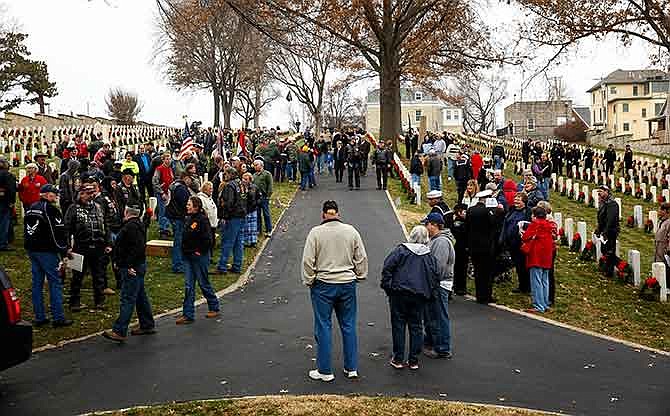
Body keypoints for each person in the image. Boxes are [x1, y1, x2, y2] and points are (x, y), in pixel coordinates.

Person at [302, 200, 368, 382]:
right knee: (348, 325)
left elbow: (308, 260)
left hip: (324, 283)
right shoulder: (351, 231)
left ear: (323, 214)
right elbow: (361, 256)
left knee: (323, 325)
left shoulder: (315, 233)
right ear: (338, 213)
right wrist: (360, 275)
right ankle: (351, 367)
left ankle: (325, 370)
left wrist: (309, 280)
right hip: (347, 283)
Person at [381, 225, 439, 370]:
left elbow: (387, 268)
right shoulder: (429, 256)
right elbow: (434, 276)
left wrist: (388, 287)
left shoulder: (401, 251)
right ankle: (414, 360)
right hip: (419, 295)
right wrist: (430, 294)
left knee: (398, 325)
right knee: (416, 326)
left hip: (399, 293)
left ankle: (398, 358)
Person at [102, 206, 155, 342]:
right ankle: (147, 324)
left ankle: (120, 330)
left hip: (132, 267)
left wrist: (128, 265)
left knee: (127, 297)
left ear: (126, 213)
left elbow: (136, 248)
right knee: (140, 296)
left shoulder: (130, 227)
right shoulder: (138, 225)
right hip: (137, 265)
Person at [24, 184, 72, 327]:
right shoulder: (50, 209)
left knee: (37, 283)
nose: (56, 196)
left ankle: (40, 316)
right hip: (47, 251)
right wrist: (64, 249)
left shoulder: (32, 207)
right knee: (54, 282)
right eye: (53, 194)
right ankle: (58, 317)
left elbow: (26, 230)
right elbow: (56, 231)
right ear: (45, 194)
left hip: (32, 250)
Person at [64, 183, 113, 311]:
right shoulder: (73, 208)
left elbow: (105, 225)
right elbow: (67, 229)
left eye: (92, 193)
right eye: (88, 193)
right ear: (81, 194)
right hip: (80, 246)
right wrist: (68, 246)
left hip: (98, 246)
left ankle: (99, 301)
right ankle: (74, 302)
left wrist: (108, 243)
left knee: (99, 275)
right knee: (77, 277)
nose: (91, 196)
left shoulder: (98, 207)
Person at [177, 196, 220, 325]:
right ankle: (188, 314)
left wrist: (199, 251)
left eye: (189, 204)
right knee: (189, 286)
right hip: (188, 257)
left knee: (203, 282)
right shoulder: (189, 218)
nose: (187, 206)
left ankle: (214, 306)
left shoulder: (202, 220)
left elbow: (208, 240)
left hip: (199, 257)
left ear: (196, 207)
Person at [422, 212, 455, 360]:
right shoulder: (436, 240)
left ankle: (442, 348)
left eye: (427, 224)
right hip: (436, 284)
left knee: (439, 316)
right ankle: (432, 341)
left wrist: (430, 283)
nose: (425, 227)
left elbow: (438, 267)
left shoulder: (441, 242)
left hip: (439, 284)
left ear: (434, 225)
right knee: (431, 315)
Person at [521, 206, 555, 313]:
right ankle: (545, 303)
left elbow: (525, 237)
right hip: (547, 256)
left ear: (534, 215)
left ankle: (538, 305)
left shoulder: (535, 224)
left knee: (536, 281)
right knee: (545, 280)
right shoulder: (548, 225)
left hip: (536, 255)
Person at [466, 189, 498, 304]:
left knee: (478, 271)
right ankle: (486, 296)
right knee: (487, 272)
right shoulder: (487, 211)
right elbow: (493, 225)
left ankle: (479, 295)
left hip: (473, 246)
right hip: (486, 246)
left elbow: (467, 228)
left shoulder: (470, 210)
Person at [217, 167, 247, 274]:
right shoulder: (241, 184)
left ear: (230, 174)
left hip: (233, 217)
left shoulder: (230, 186)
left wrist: (224, 216)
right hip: (241, 215)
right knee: (238, 242)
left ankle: (222, 266)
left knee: (227, 242)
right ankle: (237, 265)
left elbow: (228, 203)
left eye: (226, 174)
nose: (224, 176)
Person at [503, 192, 531, 294]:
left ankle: (526, 286)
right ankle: (522, 285)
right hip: (511, 242)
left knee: (523, 265)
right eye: (515, 200)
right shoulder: (511, 210)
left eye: (518, 201)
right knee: (518, 266)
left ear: (524, 202)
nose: (516, 202)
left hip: (521, 243)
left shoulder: (528, 212)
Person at [166, 173, 194, 273]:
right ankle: (177, 265)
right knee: (179, 241)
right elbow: (186, 203)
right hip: (178, 216)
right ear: (186, 178)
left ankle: (179, 263)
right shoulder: (181, 188)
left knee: (178, 240)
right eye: (191, 179)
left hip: (172, 215)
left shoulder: (173, 184)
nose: (191, 182)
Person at [595, 185, 620, 277]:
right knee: (604, 250)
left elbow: (611, 219)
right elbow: (602, 218)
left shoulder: (612, 204)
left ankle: (612, 270)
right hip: (604, 231)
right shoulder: (604, 203)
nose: (599, 194)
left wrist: (605, 232)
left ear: (607, 192)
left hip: (610, 231)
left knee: (609, 251)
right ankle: (606, 267)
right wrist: (599, 229)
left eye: (601, 192)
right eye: (599, 192)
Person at [153, 152, 175, 239]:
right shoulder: (159, 169)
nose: (168, 160)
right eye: (166, 159)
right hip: (162, 193)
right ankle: (163, 230)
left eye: (169, 159)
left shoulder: (170, 169)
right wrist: (161, 192)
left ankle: (167, 228)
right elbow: (155, 182)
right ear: (163, 160)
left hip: (169, 193)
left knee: (168, 211)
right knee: (162, 212)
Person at [449, 204, 468, 296]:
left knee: (461, 268)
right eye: (464, 211)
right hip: (459, 247)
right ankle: (459, 287)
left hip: (461, 247)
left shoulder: (463, 221)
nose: (465, 213)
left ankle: (459, 287)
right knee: (459, 268)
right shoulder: (458, 222)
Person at [197, 181, 218, 256]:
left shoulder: (209, 198)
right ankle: (206, 256)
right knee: (208, 241)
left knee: (212, 241)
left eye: (212, 188)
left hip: (212, 223)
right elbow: (202, 210)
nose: (211, 190)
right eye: (210, 189)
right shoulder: (201, 198)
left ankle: (210, 256)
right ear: (205, 190)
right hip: (207, 224)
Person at [252, 160, 273, 236]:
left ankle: (269, 229)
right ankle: (258, 230)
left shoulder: (267, 174)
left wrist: (268, 196)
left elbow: (270, 185)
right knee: (257, 214)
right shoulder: (254, 175)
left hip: (264, 197)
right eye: (254, 165)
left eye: (256, 165)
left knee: (266, 214)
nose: (255, 166)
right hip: (256, 198)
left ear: (261, 165)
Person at [0, 157, 17, 251]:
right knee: (4, 223)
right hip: (5, 202)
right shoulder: (7, 175)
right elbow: (11, 190)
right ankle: (3, 243)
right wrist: (11, 202)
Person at [242, 172, 260, 248]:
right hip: (244, 210)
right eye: (243, 179)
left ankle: (253, 241)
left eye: (246, 179)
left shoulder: (254, 187)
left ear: (250, 180)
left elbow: (258, 197)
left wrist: (256, 203)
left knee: (253, 227)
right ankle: (245, 241)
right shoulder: (241, 188)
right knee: (245, 226)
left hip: (252, 209)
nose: (244, 180)